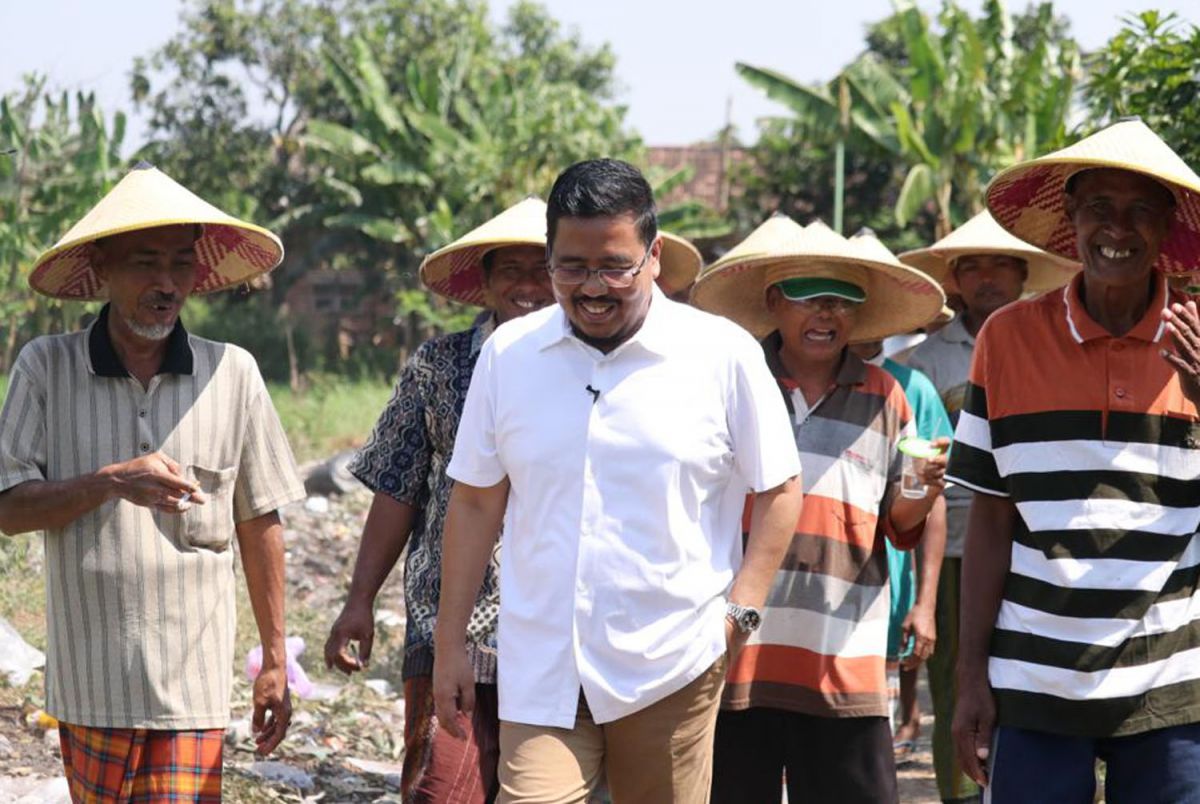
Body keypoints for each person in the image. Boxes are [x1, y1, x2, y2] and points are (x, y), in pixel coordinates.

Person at [432, 159, 803, 803]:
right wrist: (449, 643)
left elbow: (779, 489)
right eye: (571, 268)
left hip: (672, 664)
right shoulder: (509, 356)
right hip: (543, 666)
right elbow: (475, 503)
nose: (593, 288)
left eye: (615, 267)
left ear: (654, 256)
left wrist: (737, 615)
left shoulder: (721, 355)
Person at [0, 163, 305, 801]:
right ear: (103, 268)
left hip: (193, 686)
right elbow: (9, 508)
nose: (167, 284)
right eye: (145, 263)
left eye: (181, 264)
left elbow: (260, 519)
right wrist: (110, 482)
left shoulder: (233, 374)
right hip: (90, 684)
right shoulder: (45, 368)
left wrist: (276, 660)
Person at [948, 118, 1200, 802]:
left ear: (1166, 227)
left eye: (1140, 211)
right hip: (1032, 678)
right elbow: (990, 520)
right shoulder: (1007, 339)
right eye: (1099, 208)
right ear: (1071, 219)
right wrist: (970, 678)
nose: (1117, 229)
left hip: (1173, 683)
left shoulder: (1196, 337)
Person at [693, 217, 948, 804]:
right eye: (809, 298)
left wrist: (921, 493)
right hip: (735, 652)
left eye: (841, 301)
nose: (826, 314)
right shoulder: (731, 384)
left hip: (845, 653)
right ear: (774, 303)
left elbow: (899, 523)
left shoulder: (886, 396)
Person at [323, 197, 555, 802]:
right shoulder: (441, 365)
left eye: (543, 270)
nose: (529, 287)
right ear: (486, 282)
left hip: (557, 631)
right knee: (441, 786)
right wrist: (359, 600)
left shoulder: (591, 370)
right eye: (512, 271)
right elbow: (397, 487)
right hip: (447, 624)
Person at [900, 209, 1077, 803]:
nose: (986, 277)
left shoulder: (1057, 345)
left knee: (1039, 670)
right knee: (957, 675)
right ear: (954, 279)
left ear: (1023, 273)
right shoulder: (926, 364)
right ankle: (962, 792)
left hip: (1041, 538)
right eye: (971, 266)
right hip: (954, 538)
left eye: (1000, 264)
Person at [850, 331, 952, 766]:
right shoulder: (781, 379)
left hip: (882, 595)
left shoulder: (911, 389)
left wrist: (925, 603)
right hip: (790, 606)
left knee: (859, 759)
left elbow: (930, 498)